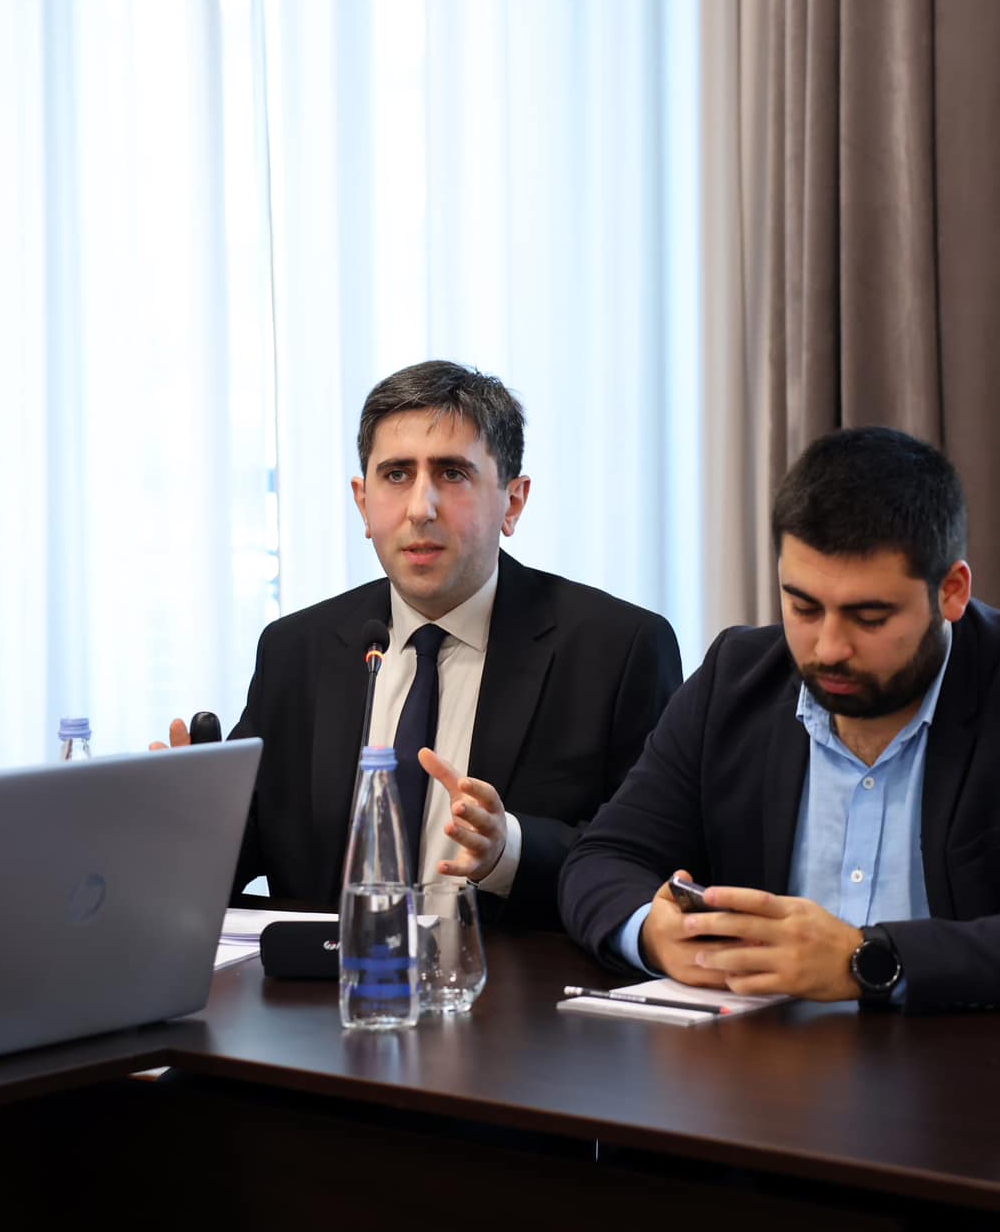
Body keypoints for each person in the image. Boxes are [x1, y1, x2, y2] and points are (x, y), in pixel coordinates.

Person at [560, 426, 1000, 1010]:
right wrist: (654, 933)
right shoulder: (736, 679)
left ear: (951, 591)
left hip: (969, 1075)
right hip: (761, 1070)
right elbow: (603, 857)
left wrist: (869, 960)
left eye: (869, 617)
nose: (829, 647)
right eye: (803, 607)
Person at [158, 361, 681, 927]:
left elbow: (652, 861)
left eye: (452, 474)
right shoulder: (297, 651)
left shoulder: (618, 651)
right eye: (396, 475)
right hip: (324, 981)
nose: (420, 508)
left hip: (515, 980)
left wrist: (510, 851)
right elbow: (235, 857)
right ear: (363, 502)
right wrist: (188, 823)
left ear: (512, 502)